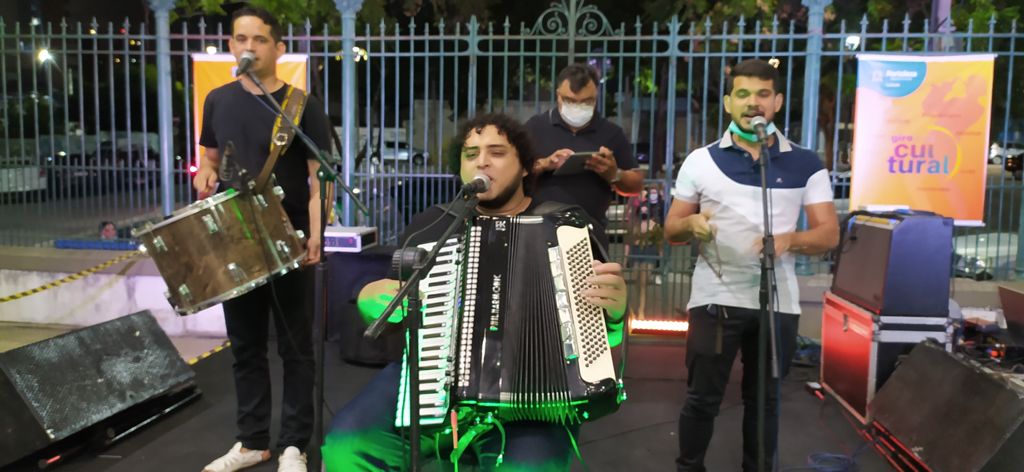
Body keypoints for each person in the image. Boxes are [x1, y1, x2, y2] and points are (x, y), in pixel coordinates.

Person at [322, 113, 628, 471]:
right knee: (346, 447)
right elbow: (391, 306)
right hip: (431, 381)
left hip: (533, 402)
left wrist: (617, 316)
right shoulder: (432, 225)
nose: (482, 161)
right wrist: (369, 297)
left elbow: (607, 349)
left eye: (497, 152)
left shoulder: (566, 227)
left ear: (527, 167)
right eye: (471, 154)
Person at [664, 59, 839, 472]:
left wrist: (791, 239)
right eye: (742, 94)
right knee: (702, 399)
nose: (752, 103)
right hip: (715, 298)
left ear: (777, 102)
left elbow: (829, 234)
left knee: (765, 404)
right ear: (728, 103)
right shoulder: (700, 161)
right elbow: (671, 228)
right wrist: (690, 223)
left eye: (762, 94)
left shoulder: (806, 163)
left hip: (778, 303)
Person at [193, 6, 332, 472]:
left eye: (258, 40)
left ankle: (294, 444)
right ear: (231, 45)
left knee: (295, 346)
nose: (247, 47)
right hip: (236, 239)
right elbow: (208, 158)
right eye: (239, 39)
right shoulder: (217, 100)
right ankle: (252, 441)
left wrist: (316, 234)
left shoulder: (301, 106)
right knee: (246, 345)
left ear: (278, 48)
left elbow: (321, 180)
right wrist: (206, 173)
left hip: (287, 239)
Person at [527, 63, 644, 249]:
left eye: (586, 101)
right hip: (538, 232)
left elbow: (636, 185)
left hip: (590, 236)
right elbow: (514, 174)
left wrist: (615, 174)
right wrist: (544, 164)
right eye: (570, 100)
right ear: (558, 95)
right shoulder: (536, 127)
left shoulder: (611, 133)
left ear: (596, 96)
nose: (577, 107)